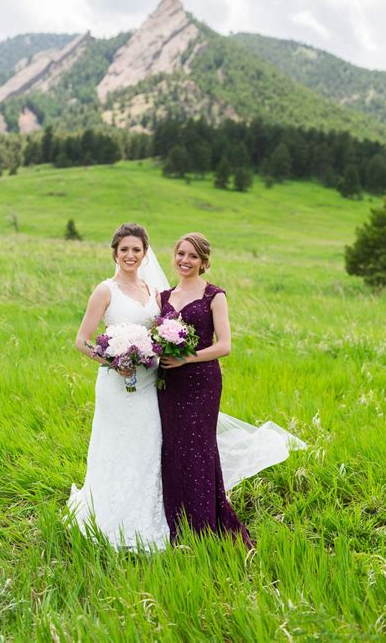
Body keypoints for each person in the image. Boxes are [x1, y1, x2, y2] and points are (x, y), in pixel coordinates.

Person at [157, 232, 305, 546]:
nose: (185, 261)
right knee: (172, 449)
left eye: (193, 256)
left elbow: (224, 346)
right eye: (181, 254)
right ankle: (176, 521)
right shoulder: (163, 296)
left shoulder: (215, 295)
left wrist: (186, 358)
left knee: (199, 449)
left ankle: (204, 523)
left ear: (204, 261)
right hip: (169, 383)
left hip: (201, 382)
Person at [66, 223, 169, 550]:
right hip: (116, 384)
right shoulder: (105, 290)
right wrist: (114, 362)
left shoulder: (154, 291)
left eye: (136, 249)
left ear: (145, 253)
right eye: (124, 249)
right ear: (115, 253)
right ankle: (108, 516)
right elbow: (81, 341)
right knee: (115, 444)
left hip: (148, 382)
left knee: (147, 443)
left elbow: (160, 331)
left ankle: (144, 514)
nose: (130, 255)